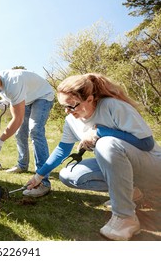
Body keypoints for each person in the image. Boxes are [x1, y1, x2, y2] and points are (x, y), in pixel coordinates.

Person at [23, 73, 161, 241]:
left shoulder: (113, 106)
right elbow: (62, 150)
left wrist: (98, 132)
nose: (68, 111)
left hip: (152, 167)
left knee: (106, 144)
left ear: (89, 99)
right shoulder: (71, 121)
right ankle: (131, 193)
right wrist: (39, 176)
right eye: (64, 106)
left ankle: (125, 217)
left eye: (72, 105)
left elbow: (146, 143)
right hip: (126, 168)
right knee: (68, 175)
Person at [0, 67, 55, 197]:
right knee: (20, 133)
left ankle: (44, 182)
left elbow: (17, 119)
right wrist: (4, 101)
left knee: (35, 130)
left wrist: (0, 141)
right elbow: (8, 95)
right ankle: (22, 165)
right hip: (28, 98)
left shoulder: (13, 83)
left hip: (43, 96)